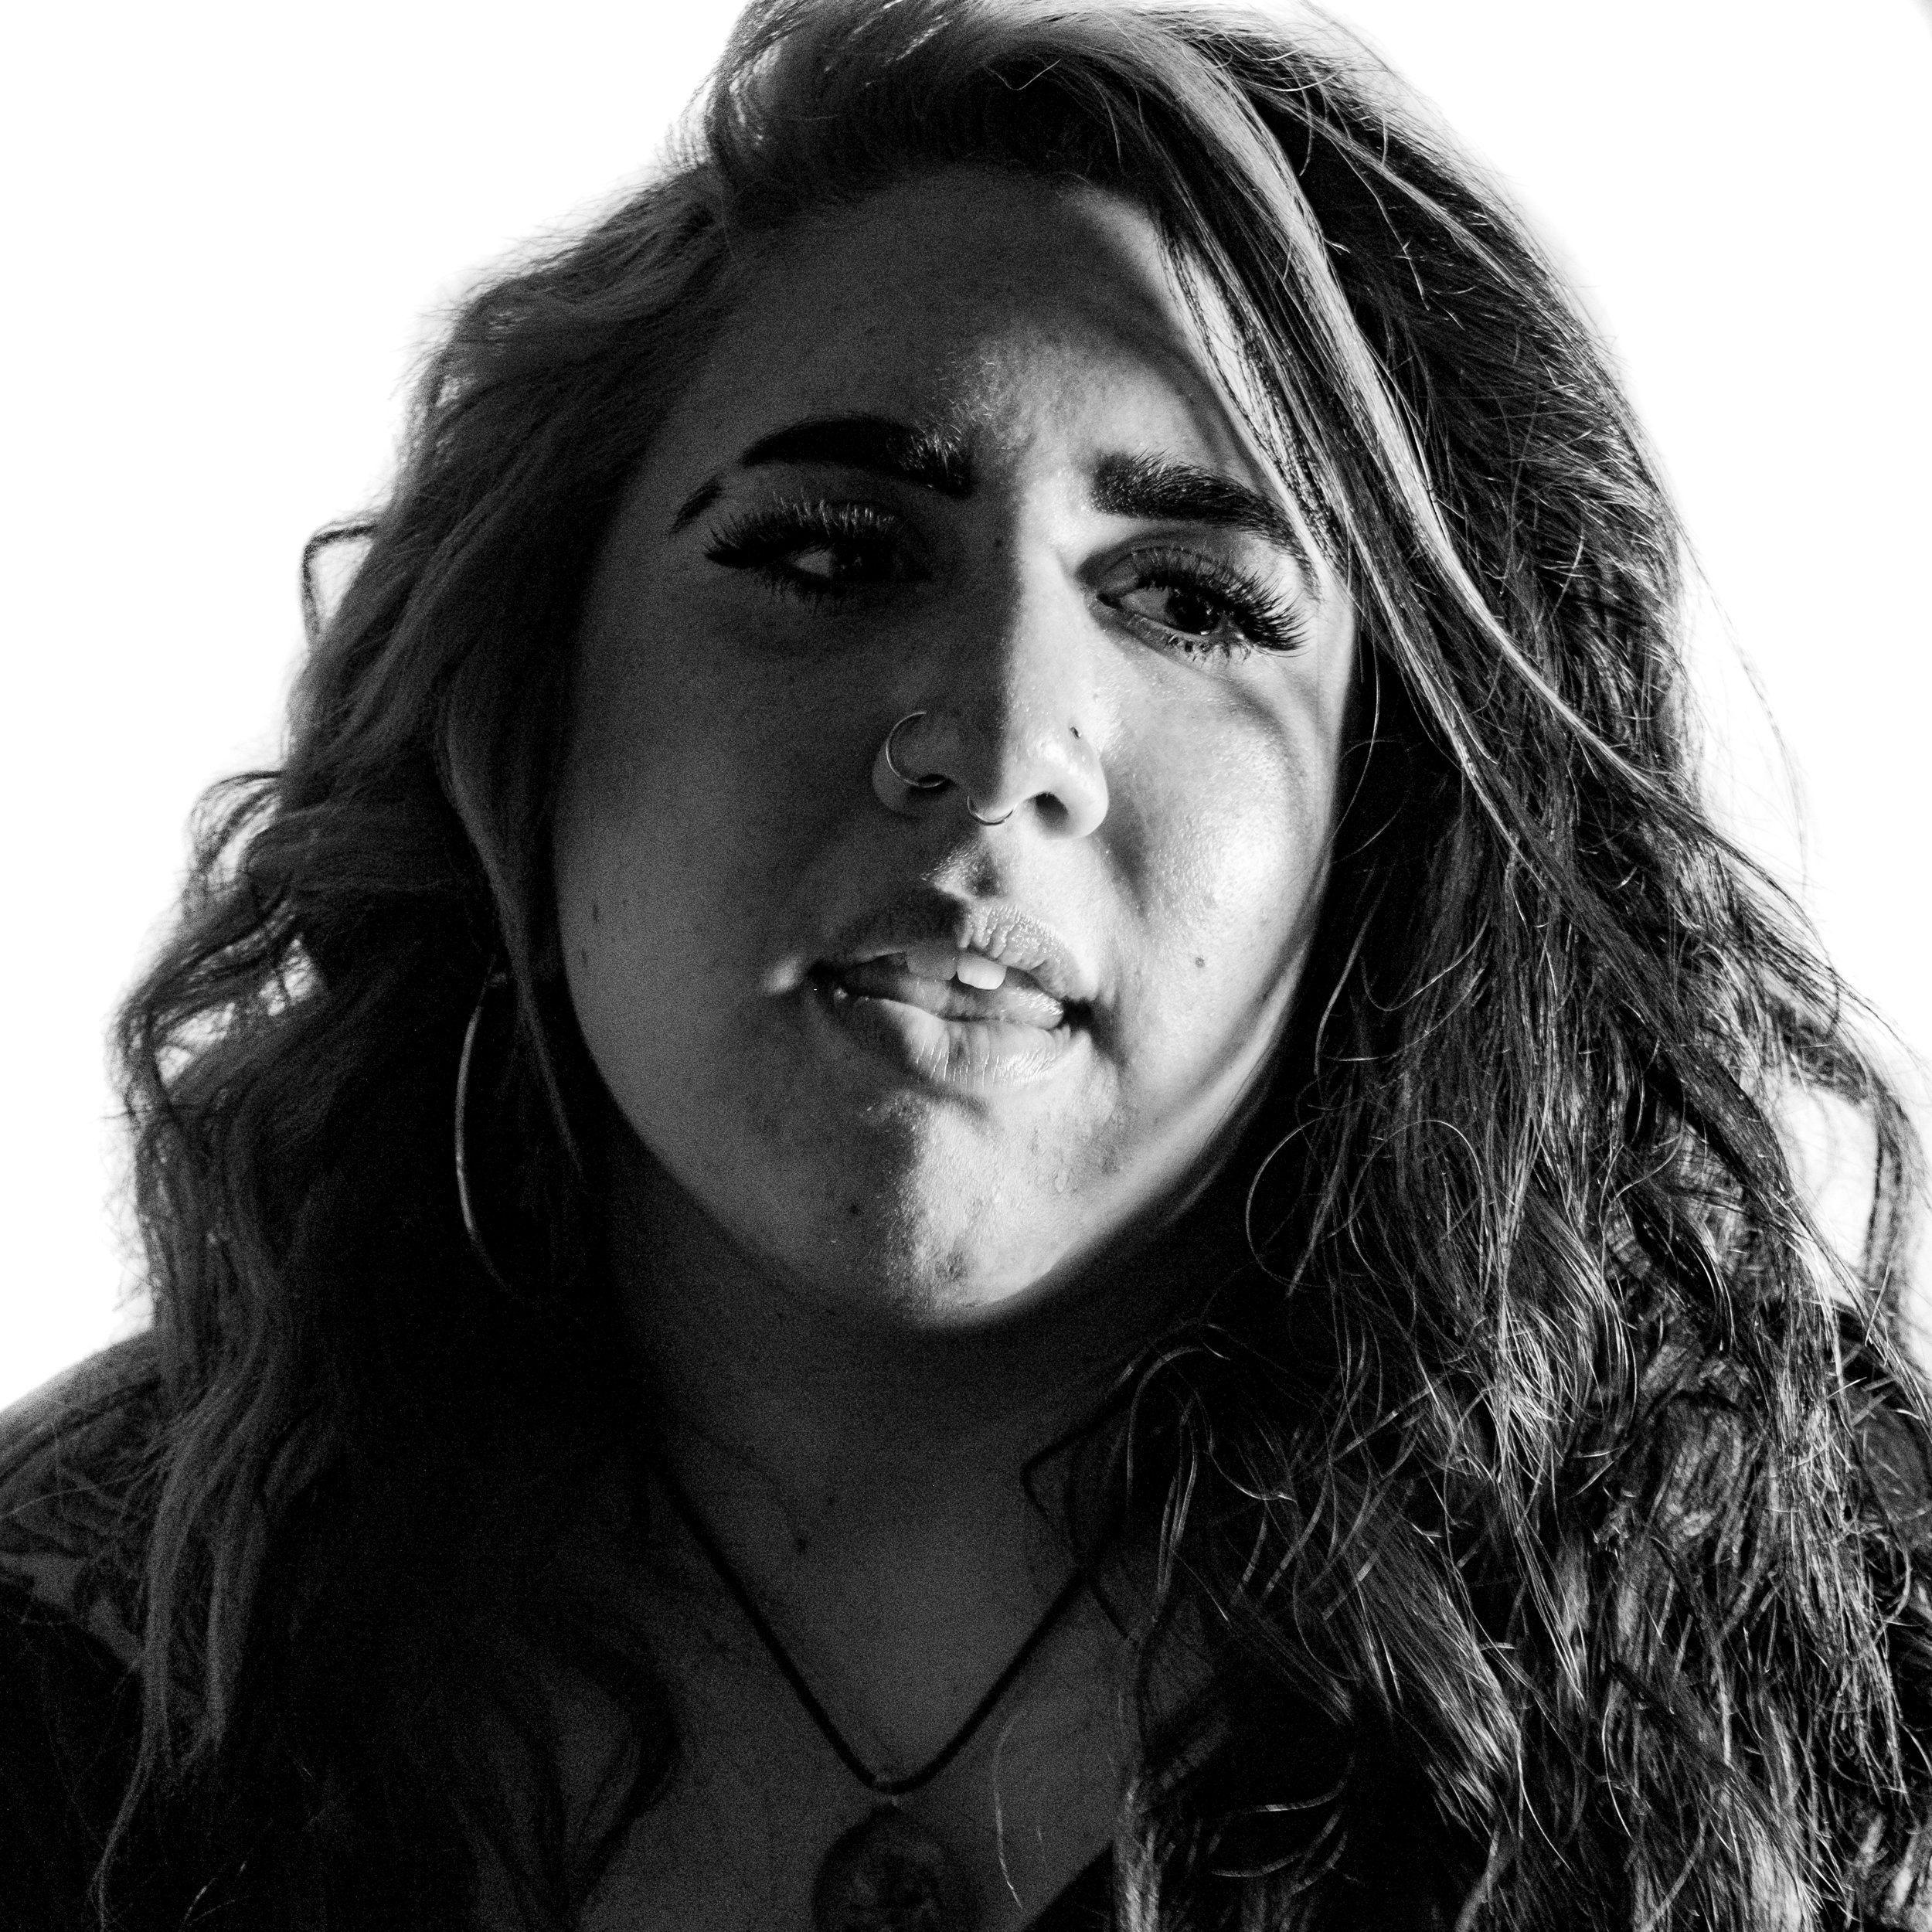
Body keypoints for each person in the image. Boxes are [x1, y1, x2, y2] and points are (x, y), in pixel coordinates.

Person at [4, 0, 1928, 1926]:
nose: (1000, 743)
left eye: (1193, 602)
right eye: (830, 553)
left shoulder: (1818, 1663)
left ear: (1394, 800)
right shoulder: (87, 1659)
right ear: (525, 696)